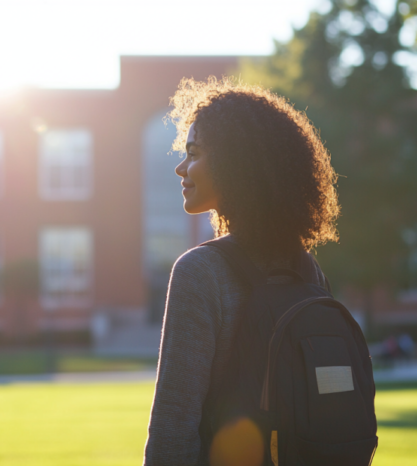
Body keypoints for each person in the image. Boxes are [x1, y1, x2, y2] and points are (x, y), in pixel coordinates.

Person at [143, 77, 339, 465]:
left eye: (194, 152)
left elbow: (173, 427)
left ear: (235, 162)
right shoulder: (306, 268)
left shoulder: (199, 271)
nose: (182, 167)